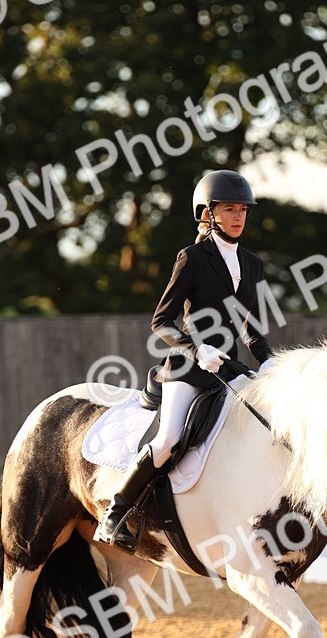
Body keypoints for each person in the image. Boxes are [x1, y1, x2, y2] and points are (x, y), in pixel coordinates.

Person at [95, 169, 275, 550]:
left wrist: (269, 363)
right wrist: (197, 348)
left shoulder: (253, 263)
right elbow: (161, 321)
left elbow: (253, 329)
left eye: (243, 209)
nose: (239, 216)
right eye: (229, 209)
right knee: (168, 439)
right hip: (188, 369)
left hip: (228, 370)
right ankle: (118, 510)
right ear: (209, 214)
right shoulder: (192, 258)